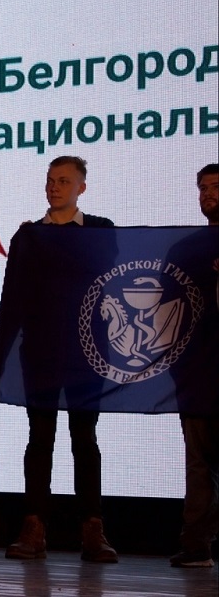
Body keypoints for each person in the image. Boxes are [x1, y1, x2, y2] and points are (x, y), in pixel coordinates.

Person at [0, 155, 118, 562]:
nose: (54, 187)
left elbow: (108, 272)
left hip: (88, 353)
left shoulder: (100, 230)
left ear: (82, 187)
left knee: (85, 439)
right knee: (40, 439)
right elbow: (12, 301)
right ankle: (34, 527)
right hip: (40, 352)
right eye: (50, 180)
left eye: (64, 181)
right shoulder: (28, 236)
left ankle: (93, 529)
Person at [170, 162, 219, 568]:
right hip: (198, 373)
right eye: (202, 187)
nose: (208, 194)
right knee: (199, 464)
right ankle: (197, 545)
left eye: (216, 186)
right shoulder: (185, 249)